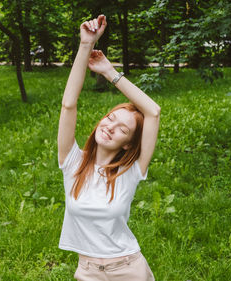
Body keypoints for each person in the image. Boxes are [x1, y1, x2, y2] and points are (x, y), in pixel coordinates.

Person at [57, 15, 160, 281]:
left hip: (128, 270)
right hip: (88, 272)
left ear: (127, 144)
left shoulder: (132, 170)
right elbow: (68, 105)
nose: (110, 126)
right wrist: (85, 45)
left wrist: (109, 71)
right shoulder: (72, 163)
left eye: (122, 130)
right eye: (110, 118)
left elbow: (153, 111)